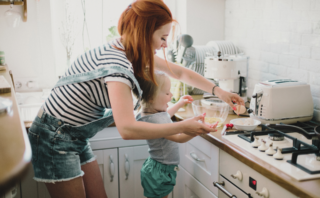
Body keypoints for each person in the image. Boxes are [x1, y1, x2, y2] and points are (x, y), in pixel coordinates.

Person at [27, 0, 244, 198]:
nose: (165, 45)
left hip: (74, 137)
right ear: (145, 32)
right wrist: (183, 127)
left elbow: (180, 73)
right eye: (163, 37)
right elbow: (127, 128)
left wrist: (219, 91)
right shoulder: (118, 66)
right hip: (53, 138)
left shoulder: (129, 50)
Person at [134, 71, 218, 198]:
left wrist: (179, 104)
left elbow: (165, 116)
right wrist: (198, 131)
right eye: (167, 93)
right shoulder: (155, 120)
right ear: (151, 97)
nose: (171, 95)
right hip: (160, 171)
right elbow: (178, 137)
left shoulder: (150, 113)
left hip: (157, 168)